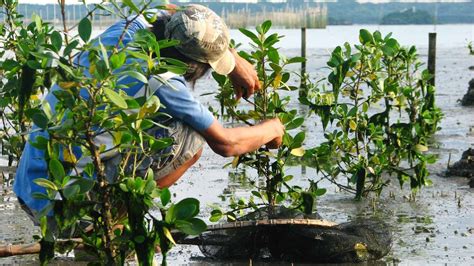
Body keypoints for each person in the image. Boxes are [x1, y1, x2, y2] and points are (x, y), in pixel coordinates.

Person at [13, 4, 285, 223]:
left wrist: (232, 59)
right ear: (191, 65)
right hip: (60, 207)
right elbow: (225, 143)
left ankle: (99, 216)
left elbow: (170, 8)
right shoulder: (161, 79)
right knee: (191, 138)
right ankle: (107, 223)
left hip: (30, 183)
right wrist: (272, 128)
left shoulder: (130, 27)